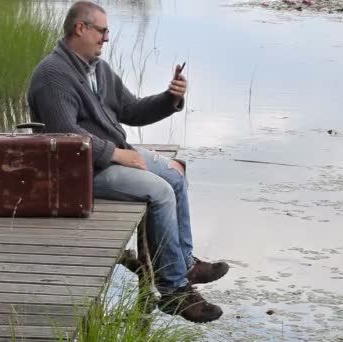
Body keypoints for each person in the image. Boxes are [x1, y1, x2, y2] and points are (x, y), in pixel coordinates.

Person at [27, 1, 229, 323]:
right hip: (80, 174)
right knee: (160, 192)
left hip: (111, 157)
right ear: (81, 28)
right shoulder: (53, 76)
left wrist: (170, 97)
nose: (107, 38)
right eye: (103, 31)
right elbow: (66, 137)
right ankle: (174, 290)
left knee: (175, 177)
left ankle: (185, 264)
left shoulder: (97, 69)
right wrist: (116, 154)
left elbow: (132, 109)